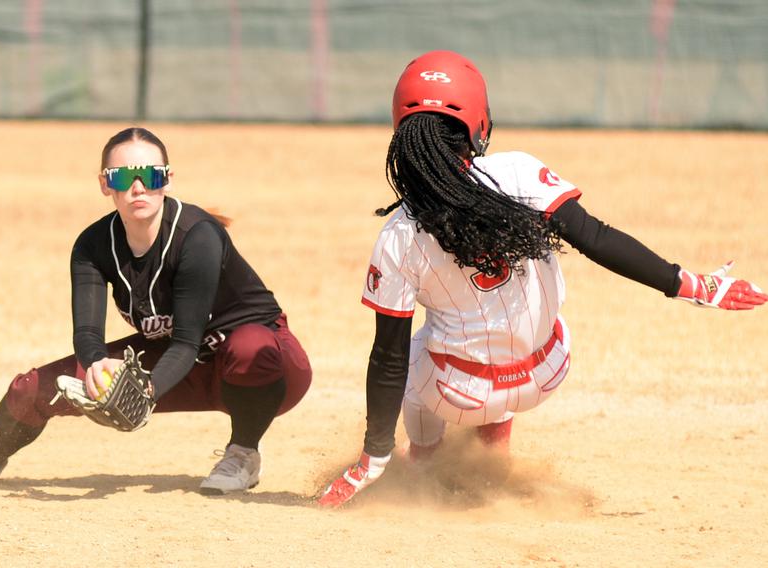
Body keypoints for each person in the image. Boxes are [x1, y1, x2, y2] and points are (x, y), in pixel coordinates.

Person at [318, 51, 767, 507]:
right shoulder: (517, 172)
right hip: (550, 368)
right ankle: (491, 452)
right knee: (503, 329)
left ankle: (423, 463)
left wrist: (371, 457)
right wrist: (692, 285)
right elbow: (597, 238)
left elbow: (386, 359)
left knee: (411, 351)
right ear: (479, 124)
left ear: (401, 131)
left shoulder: (398, 232)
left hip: (457, 393)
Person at [0, 126, 312, 495]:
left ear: (167, 179)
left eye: (151, 176)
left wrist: (146, 393)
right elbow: (88, 334)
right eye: (122, 177)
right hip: (179, 362)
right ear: (105, 184)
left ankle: (243, 454)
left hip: (269, 368)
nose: (138, 188)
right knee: (31, 389)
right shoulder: (92, 245)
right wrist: (96, 362)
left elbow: (188, 340)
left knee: (248, 347)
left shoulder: (198, 236)